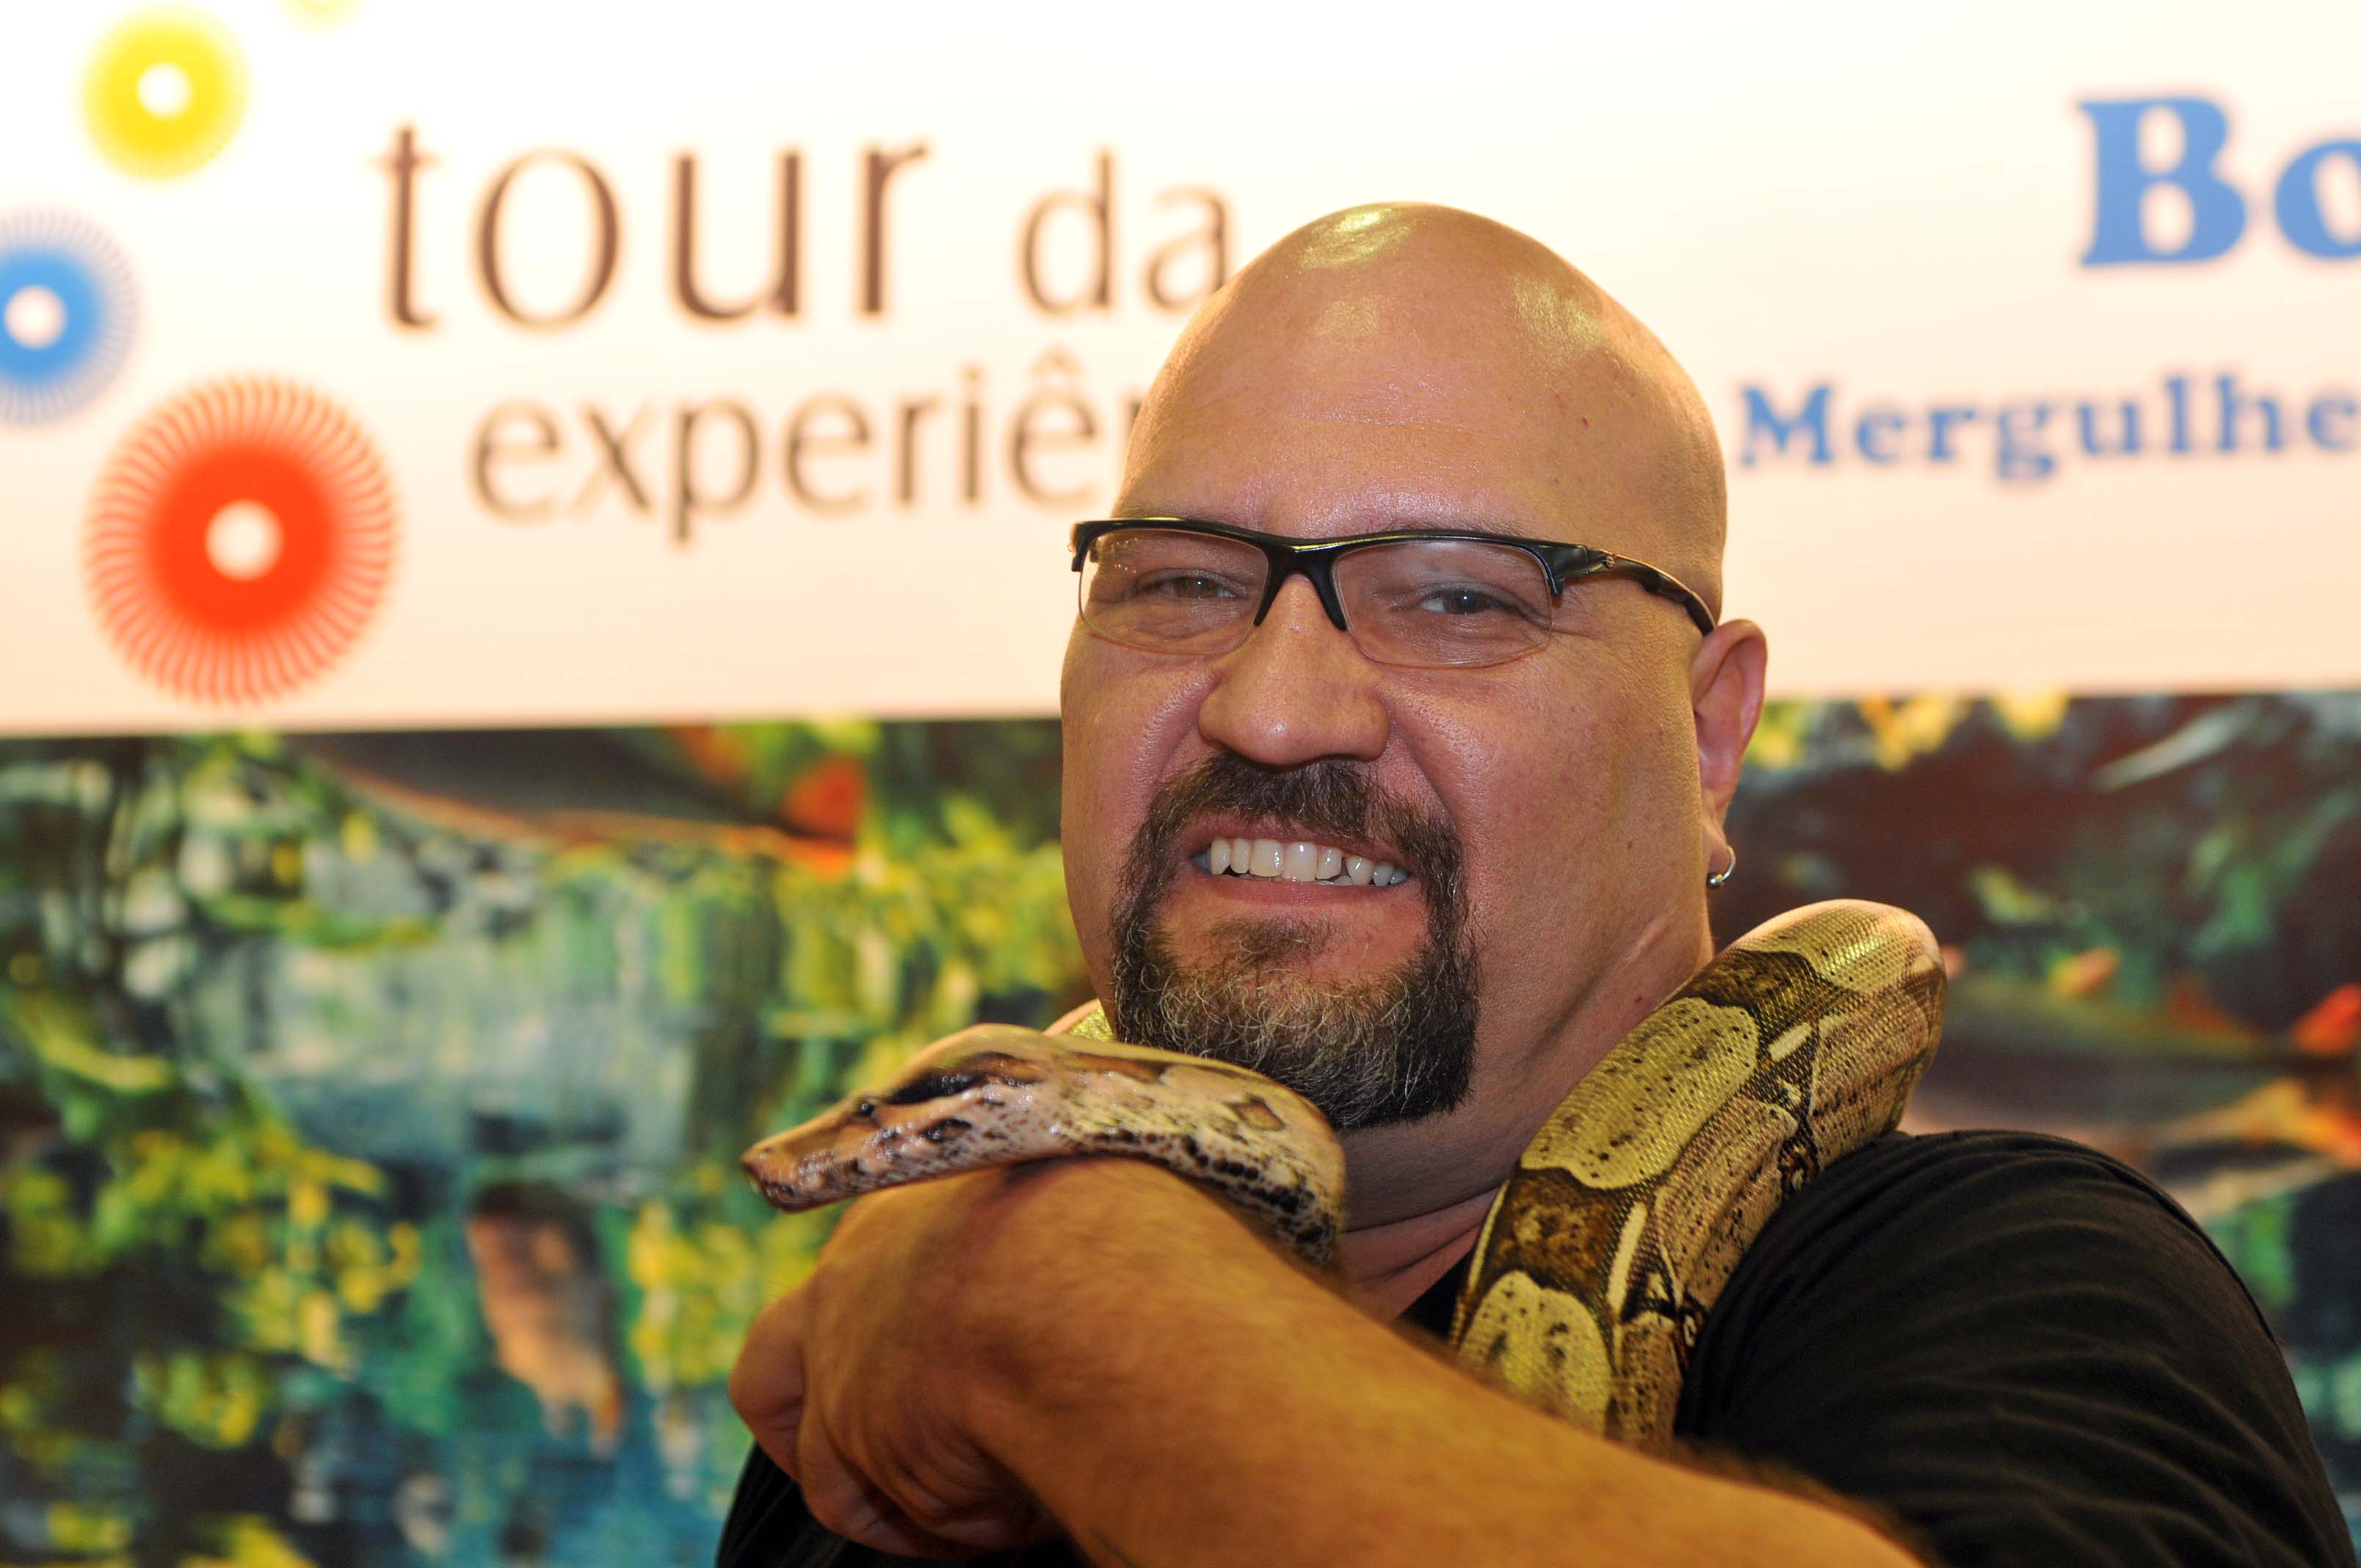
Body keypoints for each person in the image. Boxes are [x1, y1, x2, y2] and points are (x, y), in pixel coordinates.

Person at [717, 204, 2354, 1567]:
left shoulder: (2003, 1292)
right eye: (1182, 582)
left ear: (1708, 737)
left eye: (1458, 600)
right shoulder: (873, 1422)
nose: (1274, 709)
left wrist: (1063, 1301)